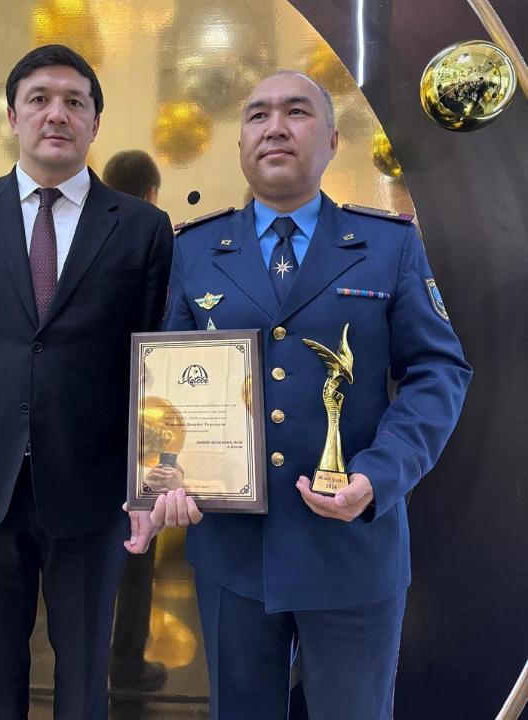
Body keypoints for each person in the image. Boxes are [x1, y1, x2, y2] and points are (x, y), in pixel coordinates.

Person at [155, 71, 472, 719]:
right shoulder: (194, 250)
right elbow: (170, 384)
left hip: (351, 549)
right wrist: (167, 472)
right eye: (257, 115)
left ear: (331, 141)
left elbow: (438, 371)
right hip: (233, 554)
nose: (275, 127)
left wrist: (380, 476)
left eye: (296, 112)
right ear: (240, 144)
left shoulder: (389, 245)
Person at [0, 44, 173, 720]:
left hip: (93, 486)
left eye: (75, 101)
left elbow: (158, 364)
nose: (57, 114)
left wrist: (151, 482)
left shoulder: (142, 228)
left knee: (85, 681)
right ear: (13, 116)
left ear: (95, 123)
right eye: (39, 99)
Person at [101, 149, 168, 693]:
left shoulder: (77, 240)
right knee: (137, 548)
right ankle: (126, 664)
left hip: (82, 427)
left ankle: (79, 660)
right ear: (150, 194)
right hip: (142, 424)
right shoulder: (157, 239)